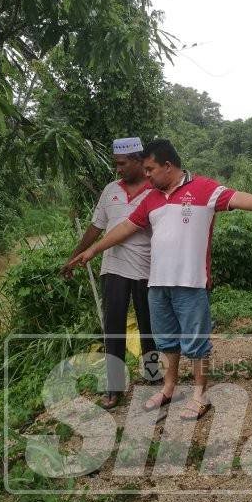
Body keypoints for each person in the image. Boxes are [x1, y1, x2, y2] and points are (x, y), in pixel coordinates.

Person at [72, 139, 252, 420]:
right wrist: (92, 250)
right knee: (166, 341)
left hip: (190, 283)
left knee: (196, 342)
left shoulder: (204, 189)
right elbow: (125, 228)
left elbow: (237, 197)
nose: (148, 175)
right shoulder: (151, 198)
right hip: (157, 284)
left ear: (168, 165)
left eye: (151, 169)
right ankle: (168, 387)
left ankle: (200, 394)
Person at [61, 137, 156, 409]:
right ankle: (114, 388)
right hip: (113, 268)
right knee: (113, 328)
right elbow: (95, 227)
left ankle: (152, 376)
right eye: (116, 164)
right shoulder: (110, 190)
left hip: (147, 269)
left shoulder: (156, 190)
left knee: (148, 325)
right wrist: (75, 256)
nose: (118, 169)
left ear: (139, 161)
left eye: (122, 164)